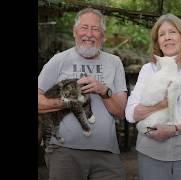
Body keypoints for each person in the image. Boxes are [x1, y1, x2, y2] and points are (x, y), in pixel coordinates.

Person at [38, 8, 127, 180]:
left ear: (103, 35)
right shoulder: (59, 60)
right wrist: (67, 101)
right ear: (75, 32)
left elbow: (121, 112)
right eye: (84, 27)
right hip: (65, 151)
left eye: (95, 29)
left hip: (106, 151)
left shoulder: (114, 62)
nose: (89, 34)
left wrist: (103, 90)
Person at [125, 13, 181, 180]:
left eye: (172, 32)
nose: (167, 38)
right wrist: (162, 104)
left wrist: (174, 129)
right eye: (161, 34)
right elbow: (131, 113)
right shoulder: (148, 70)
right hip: (152, 150)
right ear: (158, 42)